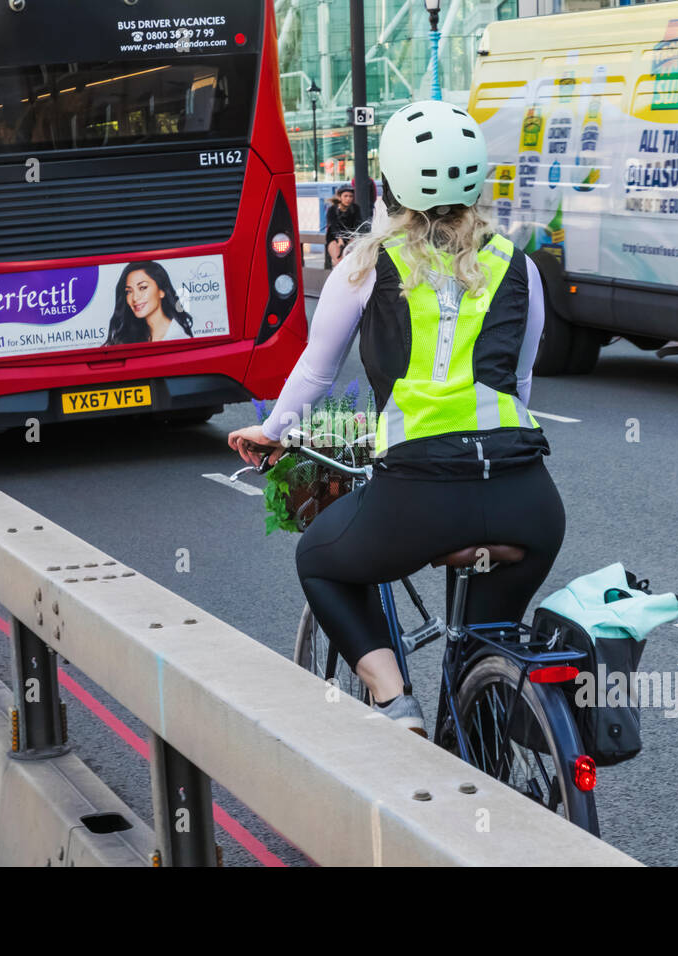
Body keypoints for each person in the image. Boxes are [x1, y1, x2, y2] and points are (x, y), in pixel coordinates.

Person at [228, 100, 564, 734]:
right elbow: (519, 385)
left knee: (320, 561)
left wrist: (271, 433)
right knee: (485, 650)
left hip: (422, 495)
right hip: (528, 500)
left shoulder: (365, 265)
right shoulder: (518, 265)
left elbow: (317, 371)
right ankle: (492, 751)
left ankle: (395, 703)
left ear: (388, 188)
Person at [106, 261, 194, 344]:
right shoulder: (129, 336)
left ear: (161, 291)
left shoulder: (178, 338)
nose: (135, 298)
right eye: (129, 292)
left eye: (143, 288)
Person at [324, 185, 362, 269]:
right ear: (339, 197)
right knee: (339, 263)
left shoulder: (355, 208)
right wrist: (339, 239)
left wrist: (353, 238)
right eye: (345, 196)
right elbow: (333, 226)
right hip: (334, 238)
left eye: (350, 196)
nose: (348, 199)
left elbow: (358, 224)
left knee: (352, 263)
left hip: (350, 237)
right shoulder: (332, 209)